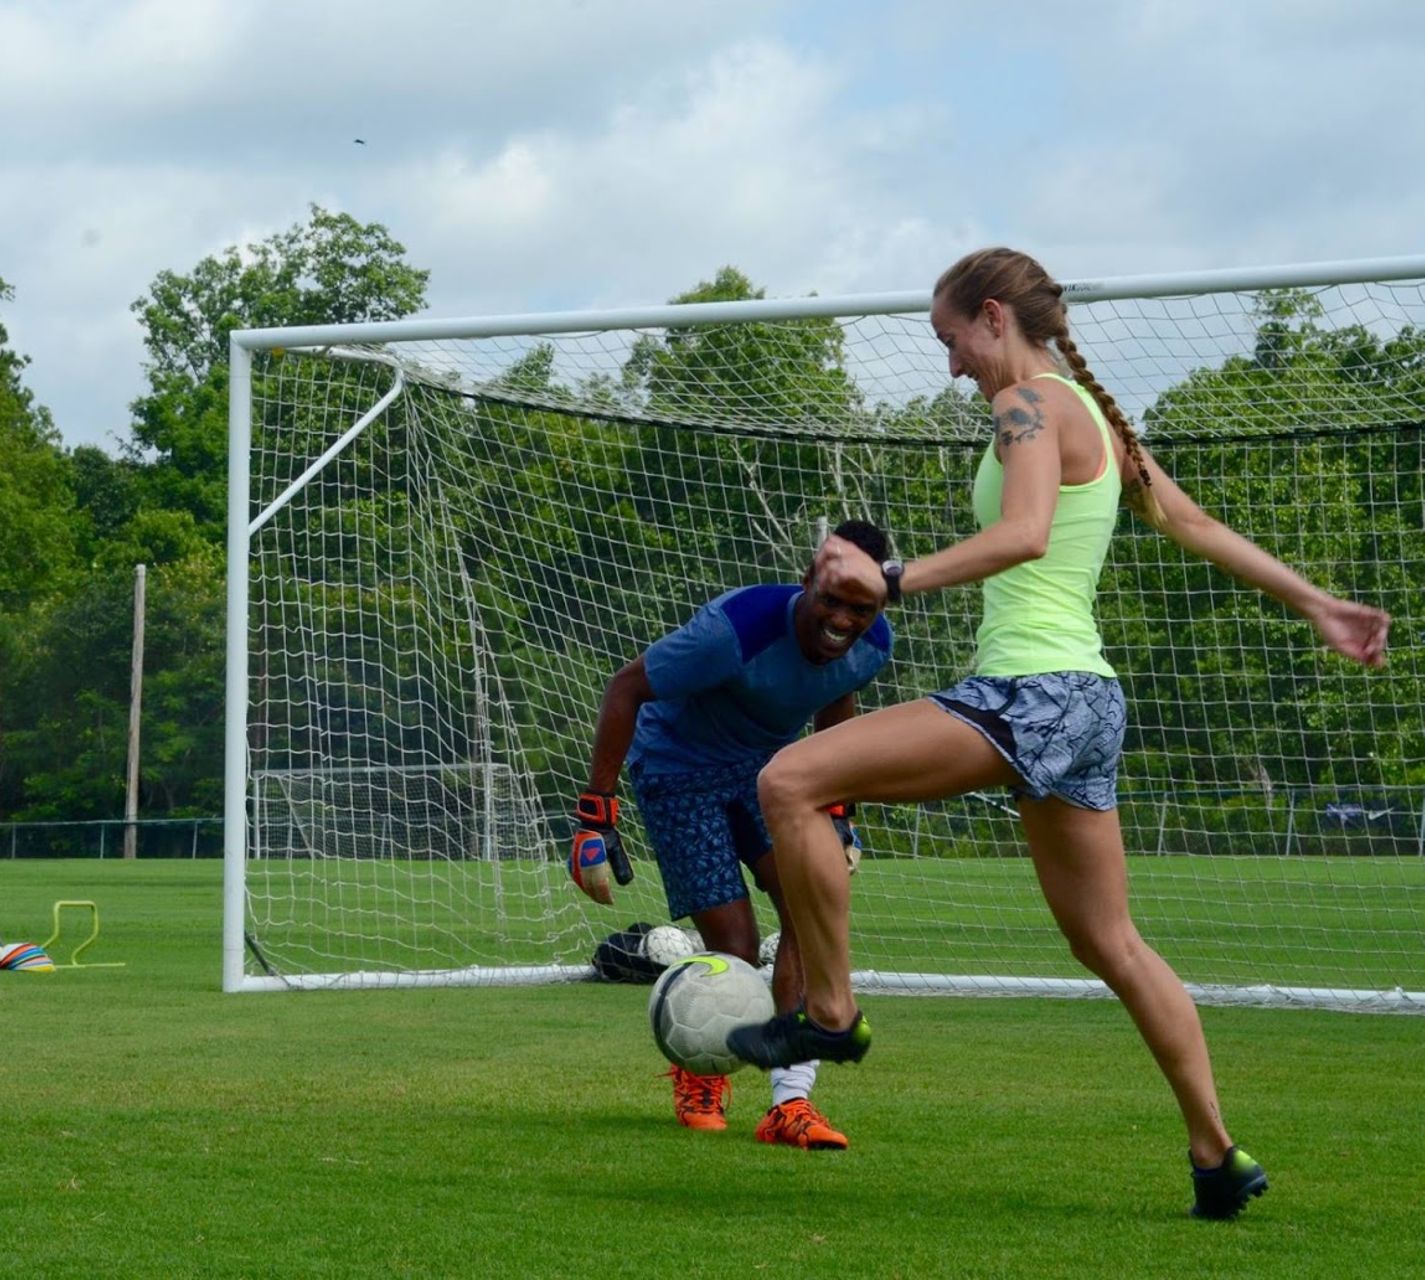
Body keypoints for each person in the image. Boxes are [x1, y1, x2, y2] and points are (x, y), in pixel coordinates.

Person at [726, 247, 1391, 1217]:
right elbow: (1191, 518)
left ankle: (829, 1011)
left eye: (947, 338)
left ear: (989, 315)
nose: (948, 363)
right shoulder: (1085, 411)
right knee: (1110, 941)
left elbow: (1024, 532)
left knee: (786, 780)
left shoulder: (1028, 405)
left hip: (1028, 694)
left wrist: (892, 579)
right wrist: (1315, 603)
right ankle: (1214, 1153)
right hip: (1085, 706)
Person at [570, 521, 894, 1148]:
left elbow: (837, 705)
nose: (843, 619)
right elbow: (626, 686)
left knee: (810, 913)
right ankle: (701, 1074)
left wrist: (838, 811)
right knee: (737, 944)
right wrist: (595, 814)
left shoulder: (873, 643)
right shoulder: (733, 632)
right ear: (808, 582)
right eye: (832, 599)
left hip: (770, 773)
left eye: (862, 607)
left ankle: (790, 1105)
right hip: (677, 770)